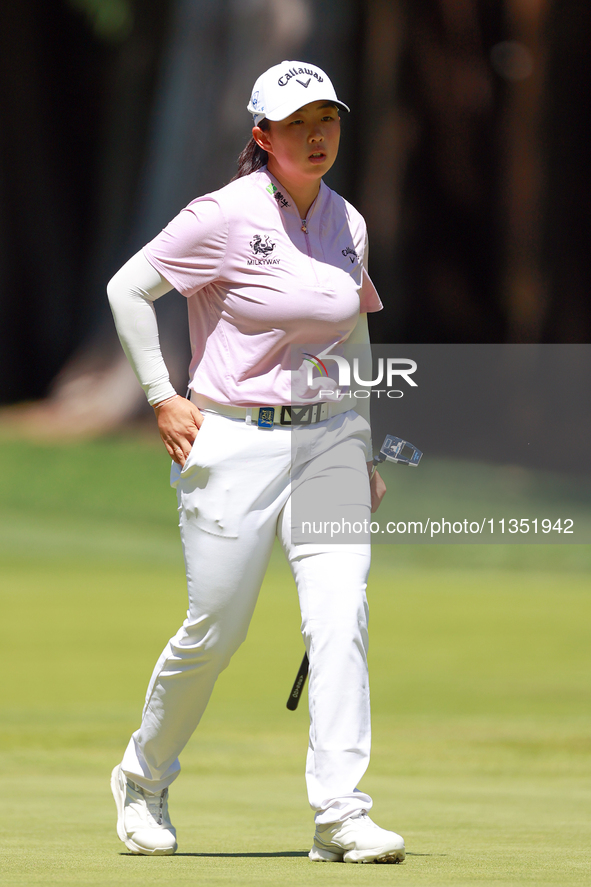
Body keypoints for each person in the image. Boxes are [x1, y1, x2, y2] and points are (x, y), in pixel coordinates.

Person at [107, 60, 405, 865]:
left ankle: (340, 813)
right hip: (231, 437)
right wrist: (162, 394)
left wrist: (366, 444)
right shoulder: (222, 215)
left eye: (328, 120)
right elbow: (128, 290)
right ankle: (142, 776)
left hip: (330, 438)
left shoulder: (347, 221)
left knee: (340, 618)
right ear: (261, 135)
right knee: (217, 628)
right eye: (296, 123)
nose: (316, 136)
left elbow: (355, 334)